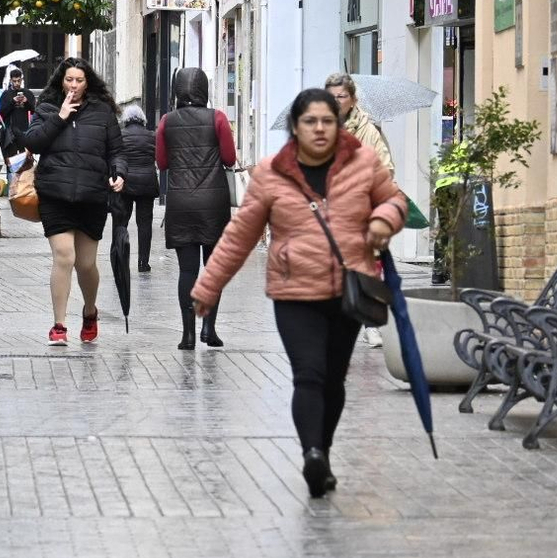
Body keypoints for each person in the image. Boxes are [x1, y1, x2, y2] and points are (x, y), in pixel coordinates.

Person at [191, 88, 406, 498]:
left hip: (349, 289)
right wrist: (209, 286)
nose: (320, 129)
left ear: (338, 124)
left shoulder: (363, 163)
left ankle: (321, 450)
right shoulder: (272, 173)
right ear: (296, 127)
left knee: (334, 380)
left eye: (327, 120)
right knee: (309, 373)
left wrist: (383, 220)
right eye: (311, 121)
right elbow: (239, 235)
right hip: (295, 292)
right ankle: (312, 455)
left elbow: (394, 199)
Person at [20, 57, 126, 346]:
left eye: (79, 80)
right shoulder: (47, 108)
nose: (74, 86)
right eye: (69, 80)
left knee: (87, 264)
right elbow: (34, 142)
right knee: (64, 256)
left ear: (87, 82)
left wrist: (119, 173)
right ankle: (59, 325)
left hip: (92, 195)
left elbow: (116, 151)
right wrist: (60, 116)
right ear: (61, 81)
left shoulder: (103, 112)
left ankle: (90, 312)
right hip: (55, 194)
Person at [156, 68, 237, 350]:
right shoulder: (217, 118)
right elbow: (229, 158)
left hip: (180, 203)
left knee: (187, 271)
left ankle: (187, 334)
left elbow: (162, 163)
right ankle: (209, 328)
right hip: (213, 204)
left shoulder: (166, 121)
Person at [326, 72, 394, 347]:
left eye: (341, 96)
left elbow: (386, 167)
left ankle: (370, 323)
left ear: (352, 100)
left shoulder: (368, 129)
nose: (335, 101)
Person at [117, 104, 160, 272]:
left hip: (125, 184)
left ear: (125, 119)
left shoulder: (120, 136)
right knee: (145, 224)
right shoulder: (152, 136)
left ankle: (120, 261)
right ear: (142, 119)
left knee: (122, 223)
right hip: (147, 184)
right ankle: (143, 262)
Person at [0, 66, 37, 158]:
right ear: (11, 80)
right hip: (10, 134)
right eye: (14, 81)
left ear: (21, 80)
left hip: (24, 132)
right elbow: (2, 113)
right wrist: (13, 102)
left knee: (25, 162)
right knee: (11, 162)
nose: (17, 83)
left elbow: (33, 110)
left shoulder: (28, 93)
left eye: (18, 81)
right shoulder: (6, 94)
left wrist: (26, 102)